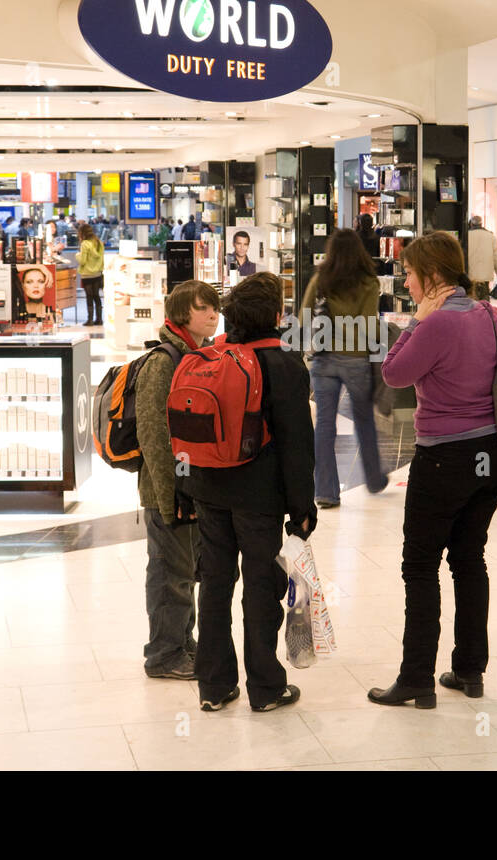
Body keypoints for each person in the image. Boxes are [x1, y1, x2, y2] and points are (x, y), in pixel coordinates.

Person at [369, 231, 497, 708]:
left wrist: (413, 324)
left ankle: (416, 679)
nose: (404, 281)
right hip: (489, 455)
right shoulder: (487, 313)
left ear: (430, 276)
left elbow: (393, 374)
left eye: (408, 273)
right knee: (470, 561)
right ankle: (471, 670)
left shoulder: (437, 323)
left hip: (443, 456)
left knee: (420, 566)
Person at [179, 273, 316, 713]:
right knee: (261, 587)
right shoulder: (286, 365)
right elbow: (298, 445)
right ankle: (266, 687)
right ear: (276, 316)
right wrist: (302, 507)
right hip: (260, 498)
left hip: (207, 488)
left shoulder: (208, 356)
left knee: (214, 584)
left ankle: (214, 687)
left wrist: (186, 488)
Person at [136, 280, 222, 679]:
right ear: (182, 313)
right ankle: (164, 654)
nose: (212, 314)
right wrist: (172, 492)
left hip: (186, 487)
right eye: (204, 308)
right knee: (169, 573)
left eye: (214, 307)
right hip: (167, 491)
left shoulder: (196, 355)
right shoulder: (164, 361)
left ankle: (181, 642)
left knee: (185, 571)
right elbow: (153, 433)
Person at [300, 229, 387, 509]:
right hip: (356, 358)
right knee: (364, 420)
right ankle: (374, 479)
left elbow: (304, 313)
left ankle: (325, 491)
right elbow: (369, 323)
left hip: (324, 357)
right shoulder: (368, 282)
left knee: (325, 424)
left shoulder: (321, 278)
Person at [465, 215, 497, 300]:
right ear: (481, 224)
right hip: (485, 275)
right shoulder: (490, 236)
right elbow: (496, 255)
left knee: (471, 299)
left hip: (470, 274)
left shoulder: (467, 236)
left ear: (471, 224)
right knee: (485, 299)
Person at [76, 223, 105, 326]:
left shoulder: (85, 244)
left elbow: (83, 261)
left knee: (89, 296)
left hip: (87, 274)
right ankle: (99, 319)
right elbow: (102, 259)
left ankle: (90, 320)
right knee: (97, 296)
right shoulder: (99, 243)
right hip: (97, 274)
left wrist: (77, 255)